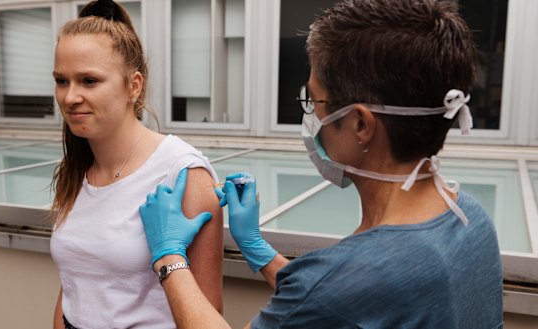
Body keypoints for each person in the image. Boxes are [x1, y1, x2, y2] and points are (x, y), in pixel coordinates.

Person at [139, 0, 503, 328]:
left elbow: (330, 292)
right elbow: (333, 301)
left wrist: (170, 258)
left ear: (360, 125)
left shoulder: (347, 278)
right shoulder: (469, 216)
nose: (310, 118)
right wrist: (257, 248)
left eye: (314, 101)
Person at [48, 1, 223, 328]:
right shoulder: (78, 169)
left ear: (134, 85)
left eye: (89, 81)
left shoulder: (182, 174)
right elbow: (71, 287)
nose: (70, 97)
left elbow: (208, 314)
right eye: (62, 80)